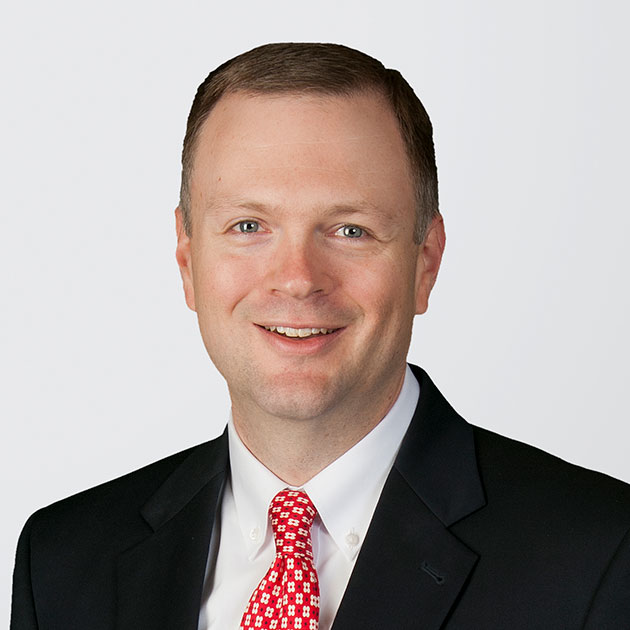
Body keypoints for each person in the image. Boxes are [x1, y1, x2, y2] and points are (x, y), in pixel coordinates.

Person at [10, 42, 630, 630]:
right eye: (248, 225)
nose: (299, 279)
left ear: (426, 262)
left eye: (350, 230)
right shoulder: (63, 560)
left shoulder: (601, 555)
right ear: (187, 259)